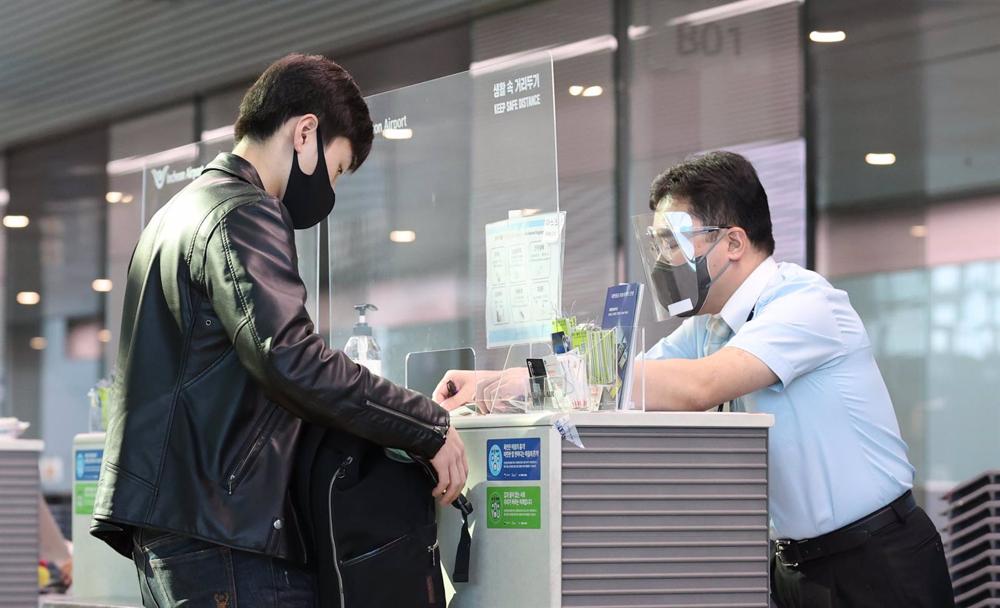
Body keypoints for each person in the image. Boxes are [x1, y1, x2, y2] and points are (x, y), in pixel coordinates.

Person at [437, 151, 954, 607]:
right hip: (794, 566)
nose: (665, 260)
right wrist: (494, 381)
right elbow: (612, 383)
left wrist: (516, 383)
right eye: (659, 244)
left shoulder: (805, 304)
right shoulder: (710, 326)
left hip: (875, 558)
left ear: (732, 241)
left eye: (674, 242)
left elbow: (697, 387)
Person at [91, 53, 467, 607]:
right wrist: (427, 424)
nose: (330, 194)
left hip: (182, 533)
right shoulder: (242, 213)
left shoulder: (173, 217)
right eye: (336, 170)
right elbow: (291, 357)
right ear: (305, 132)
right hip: (227, 537)